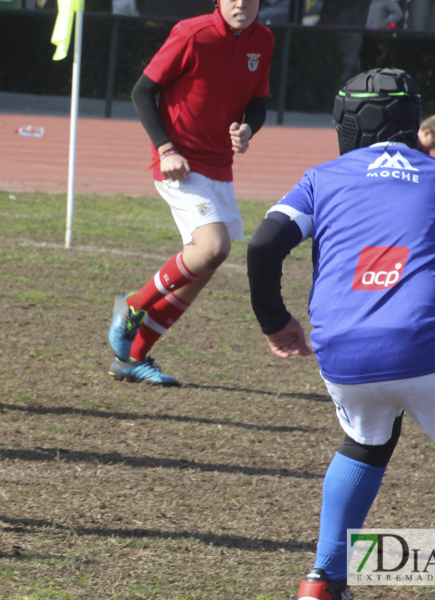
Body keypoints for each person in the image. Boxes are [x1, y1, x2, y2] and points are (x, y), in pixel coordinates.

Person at [246, 68, 435, 600]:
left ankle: (323, 581)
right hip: (431, 349)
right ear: (413, 120)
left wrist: (275, 321)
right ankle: (341, 574)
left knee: (365, 441)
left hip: (342, 351)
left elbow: (264, 245)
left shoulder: (321, 177)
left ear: (346, 121)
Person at [108, 0, 272, 386]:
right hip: (178, 161)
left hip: (220, 166)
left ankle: (132, 358)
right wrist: (166, 150)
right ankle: (133, 305)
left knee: (203, 267)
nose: (241, 4)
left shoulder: (263, 40)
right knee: (213, 248)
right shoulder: (191, 33)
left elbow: (258, 105)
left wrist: (249, 129)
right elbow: (142, 91)